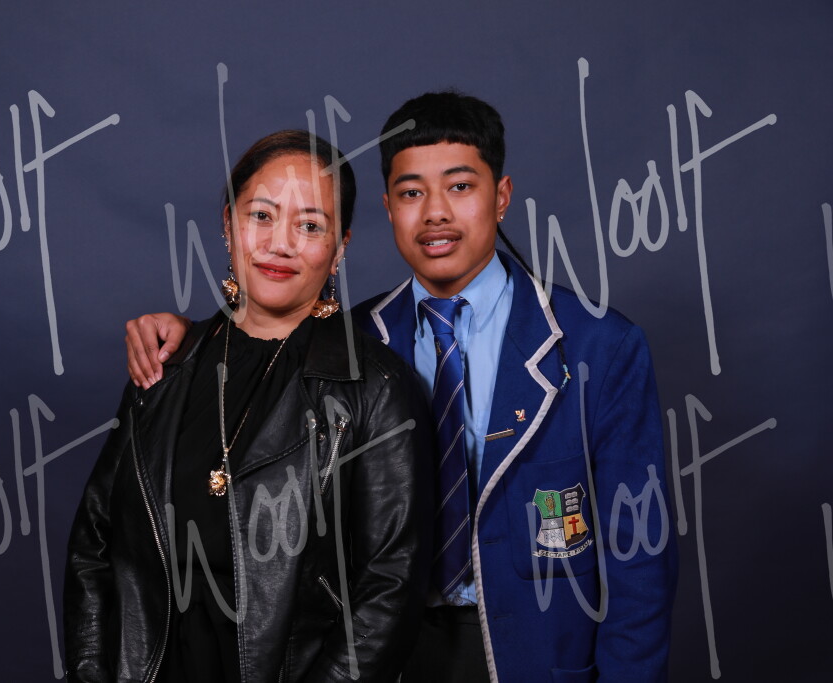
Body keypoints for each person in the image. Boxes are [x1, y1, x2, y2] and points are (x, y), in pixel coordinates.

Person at [125, 93, 678, 682]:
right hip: (375, 657)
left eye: (460, 187)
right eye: (411, 193)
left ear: (502, 195)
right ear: (388, 207)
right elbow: (255, 346)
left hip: (538, 656)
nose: (435, 212)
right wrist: (188, 337)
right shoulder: (347, 341)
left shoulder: (597, 346)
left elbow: (640, 559)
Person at [65, 130, 433, 683]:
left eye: (310, 226)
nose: (280, 244)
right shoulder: (164, 365)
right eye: (261, 216)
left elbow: (390, 589)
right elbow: (93, 547)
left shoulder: (377, 390)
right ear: (227, 224)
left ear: (340, 247)